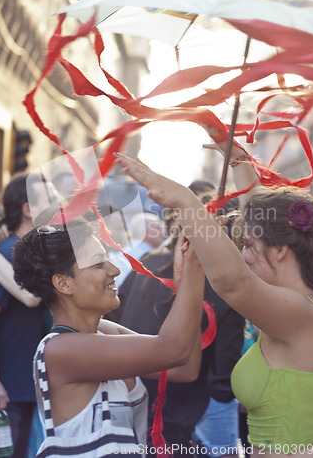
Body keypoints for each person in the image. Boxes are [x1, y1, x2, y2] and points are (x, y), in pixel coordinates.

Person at [114, 150, 313, 458]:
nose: (243, 255)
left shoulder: (302, 312)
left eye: (246, 246)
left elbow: (232, 281)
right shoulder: (287, 307)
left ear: (280, 252)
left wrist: (184, 200)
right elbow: (262, 226)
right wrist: (237, 157)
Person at [12, 218, 205, 455]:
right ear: (63, 283)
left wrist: (190, 277)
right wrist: (192, 269)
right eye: (97, 263)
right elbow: (174, 350)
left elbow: (184, 368)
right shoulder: (60, 349)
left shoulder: (104, 330)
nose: (114, 270)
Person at [106, 191, 244, 458]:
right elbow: (223, 371)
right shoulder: (226, 286)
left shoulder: (146, 265)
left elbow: (113, 318)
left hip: (135, 399)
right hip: (185, 408)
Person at [0, 173, 57, 458]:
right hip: (3, 391)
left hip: (25, 388)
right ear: (28, 209)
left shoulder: (27, 250)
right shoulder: (6, 251)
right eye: (50, 198)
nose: (58, 204)